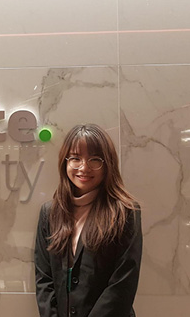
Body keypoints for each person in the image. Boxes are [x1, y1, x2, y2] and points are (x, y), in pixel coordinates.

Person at [34, 124, 142, 317]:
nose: (84, 167)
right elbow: (44, 279)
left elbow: (122, 283)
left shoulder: (124, 212)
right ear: (65, 162)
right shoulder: (50, 213)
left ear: (107, 163)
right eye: (75, 158)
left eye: (94, 159)